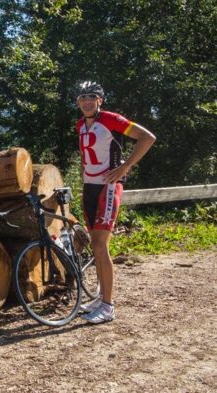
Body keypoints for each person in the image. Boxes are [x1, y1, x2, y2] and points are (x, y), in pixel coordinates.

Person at [74, 81, 156, 324]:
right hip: (89, 188)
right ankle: (100, 298)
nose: (87, 101)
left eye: (92, 97)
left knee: (100, 246)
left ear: (100, 100)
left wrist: (125, 166)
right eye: (82, 98)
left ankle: (108, 306)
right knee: (96, 246)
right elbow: (85, 156)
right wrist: (83, 178)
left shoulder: (110, 119)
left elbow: (147, 138)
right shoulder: (80, 125)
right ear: (78, 102)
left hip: (108, 188)